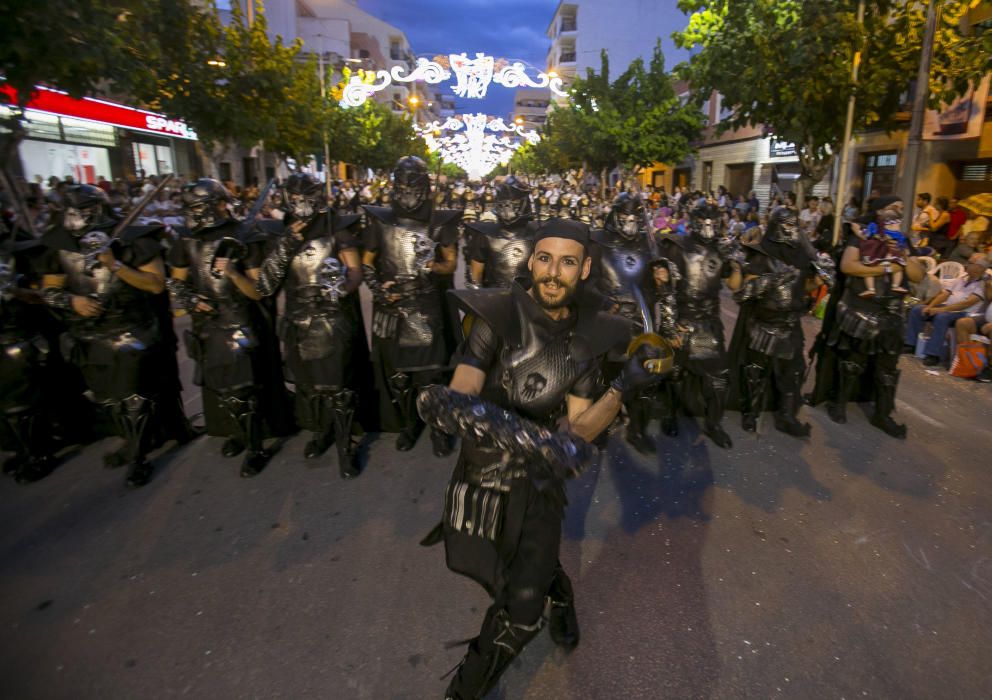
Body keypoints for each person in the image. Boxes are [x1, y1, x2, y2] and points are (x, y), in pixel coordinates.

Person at [417, 218, 666, 700]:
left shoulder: (591, 336)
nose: (554, 272)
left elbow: (580, 427)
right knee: (500, 570)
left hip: (538, 484)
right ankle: (563, 591)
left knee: (520, 612)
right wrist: (523, 436)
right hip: (482, 477)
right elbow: (462, 392)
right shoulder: (496, 317)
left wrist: (622, 388)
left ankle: (463, 692)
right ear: (531, 261)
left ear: (585, 268)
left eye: (568, 262)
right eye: (545, 259)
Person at [39, 185, 174, 487]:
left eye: (82, 211)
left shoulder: (134, 239)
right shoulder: (60, 244)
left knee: (135, 399)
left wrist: (115, 265)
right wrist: (71, 301)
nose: (75, 219)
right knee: (109, 400)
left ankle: (138, 457)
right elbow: (49, 290)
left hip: (131, 329)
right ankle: (133, 441)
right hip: (88, 336)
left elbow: (155, 285)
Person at [167, 178, 294, 477]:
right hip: (205, 324)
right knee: (221, 389)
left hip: (238, 321)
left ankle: (255, 446)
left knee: (242, 391)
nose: (193, 213)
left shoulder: (246, 237)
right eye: (189, 207)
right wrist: (190, 298)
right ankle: (236, 433)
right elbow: (175, 280)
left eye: (197, 206)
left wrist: (234, 272)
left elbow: (259, 290)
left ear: (216, 205)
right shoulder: (187, 239)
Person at [255, 173, 365, 477]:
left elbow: (355, 272)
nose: (303, 205)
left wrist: (341, 288)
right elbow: (265, 284)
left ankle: (345, 446)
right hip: (297, 320)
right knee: (310, 387)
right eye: (297, 199)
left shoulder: (337, 228)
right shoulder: (279, 233)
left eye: (308, 198)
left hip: (331, 319)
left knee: (338, 389)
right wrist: (286, 243)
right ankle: (323, 431)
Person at [361, 156, 461, 456]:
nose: (408, 193)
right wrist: (378, 289)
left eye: (413, 186)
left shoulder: (439, 222)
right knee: (400, 377)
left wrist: (432, 265)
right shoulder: (380, 222)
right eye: (403, 186)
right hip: (391, 307)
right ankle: (409, 424)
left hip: (425, 303)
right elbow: (367, 263)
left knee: (431, 377)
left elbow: (451, 264)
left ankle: (439, 430)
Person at [808, 196, 925, 437]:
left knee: (887, 368)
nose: (899, 212)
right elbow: (848, 266)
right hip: (862, 306)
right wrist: (885, 268)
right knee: (853, 361)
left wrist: (901, 257)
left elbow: (917, 276)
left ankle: (883, 414)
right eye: (894, 207)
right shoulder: (861, 235)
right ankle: (838, 403)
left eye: (901, 209)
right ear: (879, 211)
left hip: (892, 310)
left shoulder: (901, 240)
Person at [729, 206, 833, 436]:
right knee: (756, 371)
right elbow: (745, 290)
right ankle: (751, 412)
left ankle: (786, 416)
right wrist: (772, 280)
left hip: (790, 321)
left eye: (795, 224)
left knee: (793, 371)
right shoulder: (763, 253)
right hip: (763, 322)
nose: (792, 230)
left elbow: (802, 287)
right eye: (787, 224)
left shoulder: (801, 254)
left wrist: (816, 282)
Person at [591, 193, 680, 452]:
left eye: (634, 219)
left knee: (644, 377)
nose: (630, 224)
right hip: (608, 319)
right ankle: (600, 425)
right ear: (615, 217)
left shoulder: (648, 245)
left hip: (641, 320)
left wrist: (664, 280)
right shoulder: (597, 242)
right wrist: (603, 301)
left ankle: (637, 430)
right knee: (603, 378)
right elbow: (587, 280)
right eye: (625, 218)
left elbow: (663, 288)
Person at [657, 199, 743, 446]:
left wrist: (735, 261)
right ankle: (670, 416)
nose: (708, 228)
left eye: (713, 223)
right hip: (682, 320)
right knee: (675, 373)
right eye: (703, 222)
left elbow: (735, 286)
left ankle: (713, 424)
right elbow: (665, 289)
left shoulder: (721, 248)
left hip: (707, 322)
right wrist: (670, 325)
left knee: (716, 378)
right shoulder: (676, 246)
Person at [904, 259, 988, 366]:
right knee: (917, 309)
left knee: (941, 317)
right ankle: (911, 344)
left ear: (979, 268)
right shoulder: (962, 278)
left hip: (964, 313)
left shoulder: (982, 284)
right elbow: (944, 295)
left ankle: (933, 354)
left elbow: (966, 304)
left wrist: (939, 310)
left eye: (971, 263)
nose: (967, 264)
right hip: (947, 308)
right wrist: (930, 306)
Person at [464, 176, 534, 290]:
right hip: (494, 299)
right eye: (503, 203)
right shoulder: (485, 235)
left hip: (529, 299)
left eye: (514, 203)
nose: (507, 209)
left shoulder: (537, 234)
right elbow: (474, 280)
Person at [856, 208, 910, 297]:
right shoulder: (883, 231)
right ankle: (878, 288)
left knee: (897, 269)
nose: (899, 227)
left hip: (881, 256)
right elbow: (902, 243)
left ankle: (873, 288)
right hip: (885, 255)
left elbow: (866, 233)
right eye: (898, 225)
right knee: (896, 269)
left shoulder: (880, 231)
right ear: (890, 225)